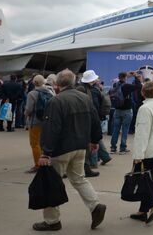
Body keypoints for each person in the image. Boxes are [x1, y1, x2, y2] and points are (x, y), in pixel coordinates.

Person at [33, 69, 106, 231]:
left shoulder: (56, 101)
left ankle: (52, 221)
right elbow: (95, 121)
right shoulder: (85, 98)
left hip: (61, 149)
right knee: (79, 179)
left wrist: (46, 152)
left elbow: (51, 128)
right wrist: (95, 140)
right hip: (80, 147)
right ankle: (95, 205)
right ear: (73, 82)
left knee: (52, 184)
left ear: (57, 84)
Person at [129, 81, 153, 224]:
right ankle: (143, 211)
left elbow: (142, 134)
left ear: (142, 92)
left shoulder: (144, 109)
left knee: (142, 182)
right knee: (149, 179)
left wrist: (138, 155)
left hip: (147, 151)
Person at [77, 70, 112, 176]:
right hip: (95, 118)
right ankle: (103, 157)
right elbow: (96, 106)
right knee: (96, 139)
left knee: (92, 140)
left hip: (87, 118)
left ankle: (92, 163)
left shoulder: (80, 89)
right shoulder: (96, 90)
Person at [23, 75, 54, 174]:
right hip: (46, 121)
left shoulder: (32, 94)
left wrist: (25, 115)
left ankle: (38, 165)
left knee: (35, 144)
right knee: (44, 144)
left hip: (35, 122)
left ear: (33, 83)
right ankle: (46, 163)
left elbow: (28, 109)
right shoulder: (49, 92)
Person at [110, 71, 142, 154]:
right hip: (127, 110)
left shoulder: (115, 85)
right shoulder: (127, 86)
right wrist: (135, 76)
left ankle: (113, 148)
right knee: (125, 130)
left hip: (117, 110)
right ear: (125, 78)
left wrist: (126, 75)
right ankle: (122, 148)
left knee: (115, 130)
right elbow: (139, 86)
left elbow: (119, 79)